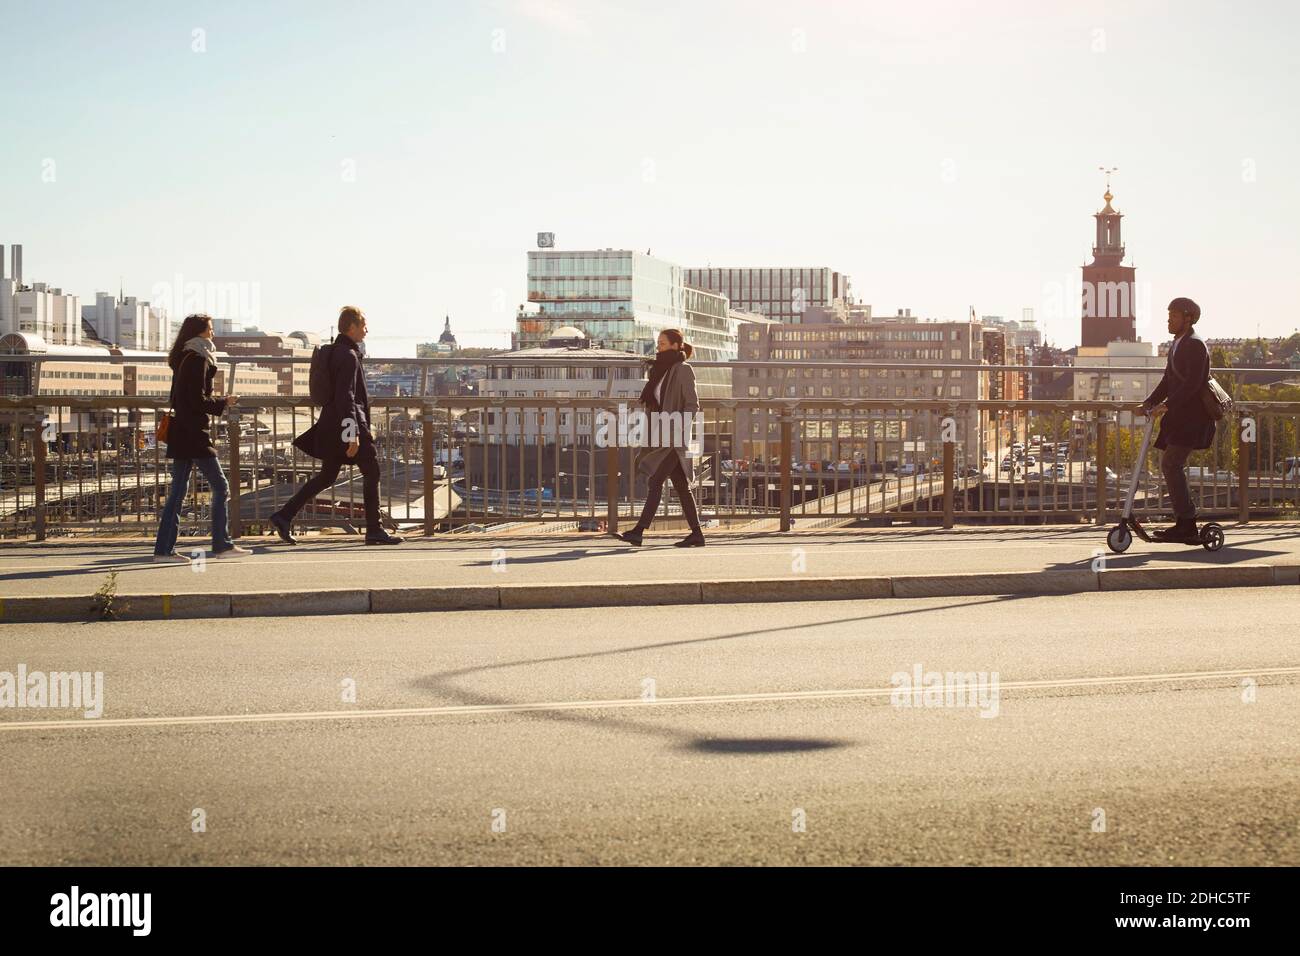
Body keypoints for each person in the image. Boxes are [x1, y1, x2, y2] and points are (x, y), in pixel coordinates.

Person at [269, 306, 401, 545]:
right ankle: (374, 529)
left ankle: (284, 515)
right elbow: (346, 397)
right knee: (372, 471)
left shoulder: (332, 352)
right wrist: (353, 434)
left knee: (327, 476)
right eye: (363, 326)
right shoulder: (348, 356)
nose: (366, 330)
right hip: (347, 425)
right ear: (351, 327)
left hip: (331, 423)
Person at [153, 313, 250, 562]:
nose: (213, 333)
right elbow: (197, 400)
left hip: (183, 432)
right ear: (200, 332)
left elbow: (181, 398)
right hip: (194, 434)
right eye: (210, 328)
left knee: (177, 492)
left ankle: (164, 550)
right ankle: (221, 545)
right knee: (220, 486)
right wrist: (224, 402)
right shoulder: (198, 358)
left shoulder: (185, 356)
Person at [616, 329, 705, 548]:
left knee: (655, 482)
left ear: (676, 345)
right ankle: (697, 534)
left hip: (673, 438)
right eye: (658, 344)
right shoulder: (660, 371)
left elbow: (692, 405)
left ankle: (638, 532)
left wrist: (676, 428)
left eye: (663, 344)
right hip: (660, 436)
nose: (659, 348)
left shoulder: (683, 370)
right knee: (681, 487)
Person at [1137, 297, 1216, 543]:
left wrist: (1167, 405)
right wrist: (1149, 402)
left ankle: (1187, 523)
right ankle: (1184, 522)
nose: (1168, 320)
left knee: (1171, 464)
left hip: (1192, 419)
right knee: (1170, 465)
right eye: (1168, 315)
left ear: (1188, 318)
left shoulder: (1194, 345)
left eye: (1173, 316)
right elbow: (1168, 380)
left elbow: (1193, 384)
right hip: (1180, 419)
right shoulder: (1178, 343)